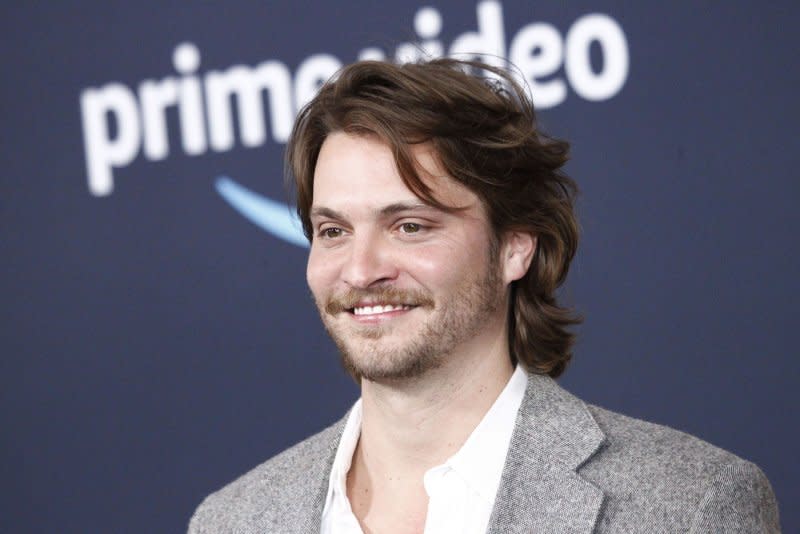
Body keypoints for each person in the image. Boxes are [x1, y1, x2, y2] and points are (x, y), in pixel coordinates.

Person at [188, 58, 780, 533]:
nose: (361, 269)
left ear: (515, 247)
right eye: (333, 231)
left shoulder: (692, 508)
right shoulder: (230, 521)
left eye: (409, 225)